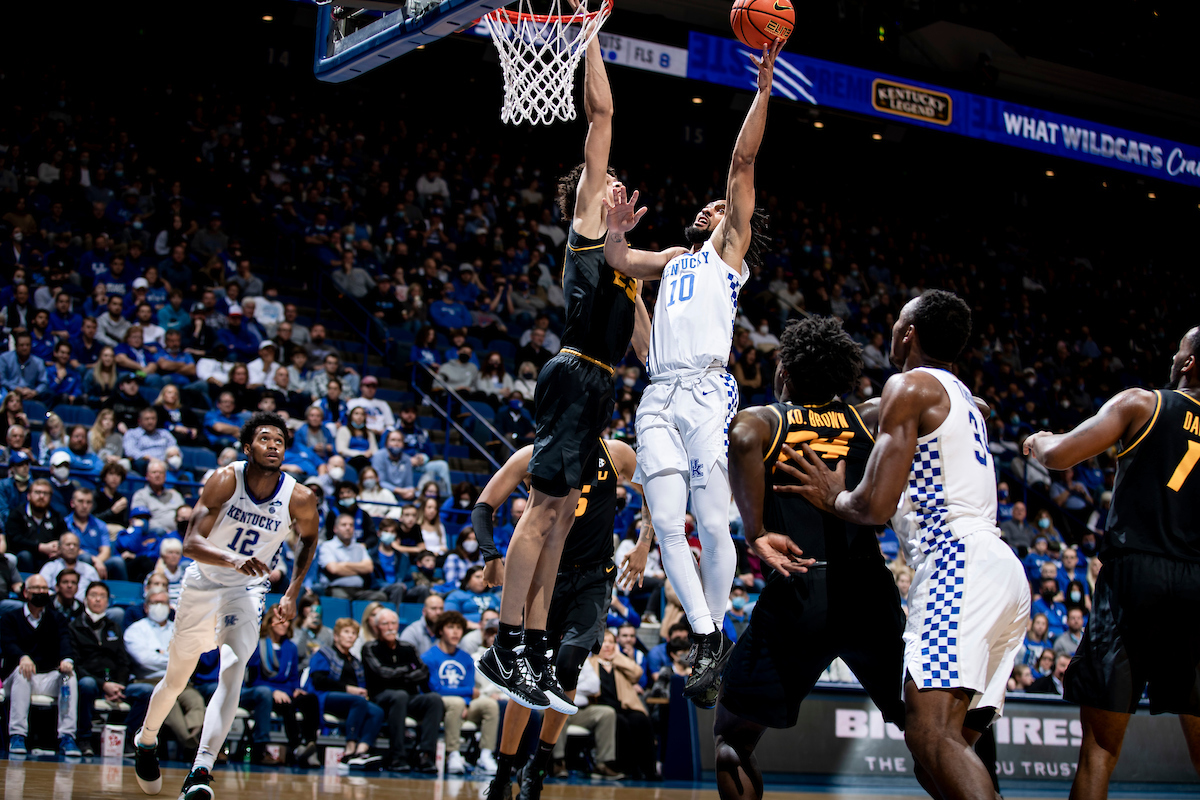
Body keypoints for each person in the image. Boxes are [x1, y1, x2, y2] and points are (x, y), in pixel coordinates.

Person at [791, 291, 1030, 800]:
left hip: (956, 563)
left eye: (898, 321)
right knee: (938, 762)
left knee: (929, 735)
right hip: (1000, 571)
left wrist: (834, 498)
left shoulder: (909, 385)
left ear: (909, 333)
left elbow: (875, 507)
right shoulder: (963, 397)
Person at [600, 42, 781, 704]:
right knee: (667, 519)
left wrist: (762, 92)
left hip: (707, 390)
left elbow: (742, 163)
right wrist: (616, 230)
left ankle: (716, 625)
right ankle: (707, 637)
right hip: (658, 393)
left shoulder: (727, 254)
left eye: (719, 206)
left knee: (710, 522)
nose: (710, 209)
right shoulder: (676, 257)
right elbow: (620, 261)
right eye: (707, 207)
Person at [476, 19, 645, 715]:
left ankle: (537, 648)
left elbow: (647, 347)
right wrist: (590, 32)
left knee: (564, 520)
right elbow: (602, 114)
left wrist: (644, 273)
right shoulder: (586, 223)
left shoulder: (624, 263)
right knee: (543, 511)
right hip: (572, 373)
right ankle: (506, 642)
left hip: (600, 383)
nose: (618, 192)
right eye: (610, 184)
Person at [711, 316, 907, 800]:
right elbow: (971, 406)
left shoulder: (769, 421)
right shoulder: (870, 417)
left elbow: (742, 436)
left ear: (785, 371)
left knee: (733, 739)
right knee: (931, 730)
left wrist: (755, 532)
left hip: (801, 587)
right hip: (868, 587)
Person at [1021, 325, 1200, 797]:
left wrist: (1040, 439)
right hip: (1196, 582)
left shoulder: (1143, 403)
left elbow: (1061, 456)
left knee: (1099, 748)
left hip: (1135, 574)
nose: (1174, 357)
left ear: (1189, 364)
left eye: (1178, 350)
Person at [131, 412, 320, 800]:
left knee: (233, 670)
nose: (274, 445)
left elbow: (308, 540)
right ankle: (146, 740)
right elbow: (190, 543)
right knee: (176, 679)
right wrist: (232, 559)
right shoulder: (224, 479)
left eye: (280, 441)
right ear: (247, 447)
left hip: (247, 590)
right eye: (265, 439)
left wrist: (291, 592)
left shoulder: (299, 496)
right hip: (203, 584)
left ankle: (201, 769)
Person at [480, 436, 640, 799]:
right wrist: (490, 554)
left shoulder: (617, 453)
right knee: (528, 677)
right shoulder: (533, 454)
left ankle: (538, 767)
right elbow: (485, 503)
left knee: (568, 668)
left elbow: (655, 495)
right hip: (545, 577)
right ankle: (503, 774)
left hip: (594, 577)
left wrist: (644, 542)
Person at [0, 574, 82, 756]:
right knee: (22, 672)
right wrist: (22, 657)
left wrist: (67, 660)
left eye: (44, 588)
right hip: (16, 679)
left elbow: (65, 642)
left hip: (46, 678)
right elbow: (8, 644)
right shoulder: (10, 618)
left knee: (69, 677)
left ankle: (67, 737)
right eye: (36, 588)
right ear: (26, 593)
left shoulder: (57, 618)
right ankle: (17, 735)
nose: (41, 592)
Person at [70, 580, 152, 756]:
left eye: (102, 596)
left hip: (115, 684)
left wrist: (119, 685)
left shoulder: (114, 627)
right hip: (92, 683)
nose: (97, 599)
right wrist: (103, 685)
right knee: (86, 684)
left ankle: (128, 740)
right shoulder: (75, 627)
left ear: (108, 602)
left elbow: (124, 661)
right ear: (85, 600)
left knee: (146, 691)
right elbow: (76, 665)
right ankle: (84, 739)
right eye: (93, 595)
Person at [363, 607, 444, 773]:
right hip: (381, 698)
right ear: (377, 627)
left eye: (393, 623)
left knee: (434, 699)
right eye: (385, 624)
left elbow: (423, 672)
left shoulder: (408, 647)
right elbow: (382, 673)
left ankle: (426, 756)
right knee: (399, 695)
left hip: (409, 697)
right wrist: (407, 670)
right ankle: (397, 757)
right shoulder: (370, 648)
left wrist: (399, 674)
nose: (390, 627)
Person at [302, 618, 386, 769]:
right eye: (346, 632)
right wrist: (349, 689)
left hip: (352, 701)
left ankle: (361, 751)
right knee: (358, 701)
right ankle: (350, 750)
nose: (350, 636)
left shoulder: (355, 661)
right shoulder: (324, 653)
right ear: (336, 636)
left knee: (377, 711)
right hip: (325, 695)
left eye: (353, 633)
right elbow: (319, 681)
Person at [423, 610, 500, 775]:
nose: (456, 632)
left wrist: (466, 701)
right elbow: (436, 689)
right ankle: (453, 754)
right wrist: (466, 696)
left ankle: (486, 755)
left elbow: (471, 687)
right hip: (440, 705)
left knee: (490, 704)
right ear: (441, 630)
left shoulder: (466, 658)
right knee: (456, 703)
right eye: (451, 627)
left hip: (464, 704)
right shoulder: (429, 657)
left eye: (459, 628)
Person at [586, 630, 656, 780]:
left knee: (641, 720)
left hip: (624, 705)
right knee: (621, 723)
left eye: (611, 642)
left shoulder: (619, 663)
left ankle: (649, 770)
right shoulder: (590, 663)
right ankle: (626, 768)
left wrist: (617, 656)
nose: (607, 645)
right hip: (603, 706)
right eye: (604, 642)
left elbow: (637, 673)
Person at [319, 513, 388, 601]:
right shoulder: (327, 546)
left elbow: (369, 568)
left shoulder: (360, 547)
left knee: (380, 596)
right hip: (337, 588)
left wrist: (344, 565)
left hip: (359, 590)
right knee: (342, 599)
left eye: (351, 525)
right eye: (344, 525)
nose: (348, 528)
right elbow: (334, 569)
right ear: (335, 529)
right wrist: (360, 570)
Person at [8, 478, 70, 571]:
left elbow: (64, 536)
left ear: (50, 497)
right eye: (37, 492)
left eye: (45, 493)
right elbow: (14, 540)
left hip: (49, 557)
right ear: (29, 495)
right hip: (25, 558)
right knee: (25, 556)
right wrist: (40, 547)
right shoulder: (17, 514)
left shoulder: (56, 517)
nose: (41, 496)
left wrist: (58, 547)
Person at [39, 531, 101, 596]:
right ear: (59, 548)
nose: (72, 547)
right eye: (68, 544)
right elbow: (42, 589)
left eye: (75, 545)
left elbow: (98, 591)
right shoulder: (50, 567)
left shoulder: (89, 570)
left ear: (79, 549)